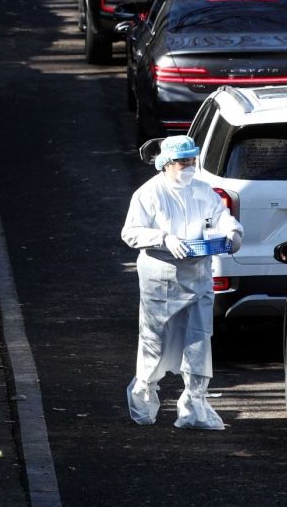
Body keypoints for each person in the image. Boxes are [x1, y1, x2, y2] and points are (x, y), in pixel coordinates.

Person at [121, 134, 244, 430]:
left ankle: (194, 406)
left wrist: (232, 231)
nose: (188, 166)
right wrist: (163, 238)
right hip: (161, 278)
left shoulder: (202, 190)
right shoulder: (149, 193)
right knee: (154, 340)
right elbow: (130, 232)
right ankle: (143, 398)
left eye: (191, 160)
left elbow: (220, 216)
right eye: (182, 161)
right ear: (166, 163)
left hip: (198, 275)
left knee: (199, 338)